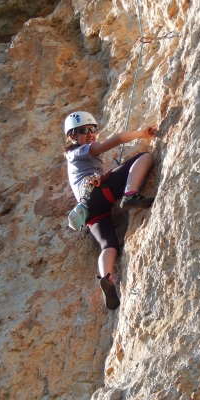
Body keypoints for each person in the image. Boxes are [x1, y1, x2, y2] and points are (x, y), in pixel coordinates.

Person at [64, 111, 156, 310]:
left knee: (108, 245)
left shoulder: (72, 158)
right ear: (72, 136)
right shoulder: (80, 151)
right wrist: (142, 134)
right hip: (97, 192)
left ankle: (107, 278)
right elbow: (116, 140)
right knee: (144, 157)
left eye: (92, 129)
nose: (90, 134)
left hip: (90, 210)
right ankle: (130, 194)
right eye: (83, 131)